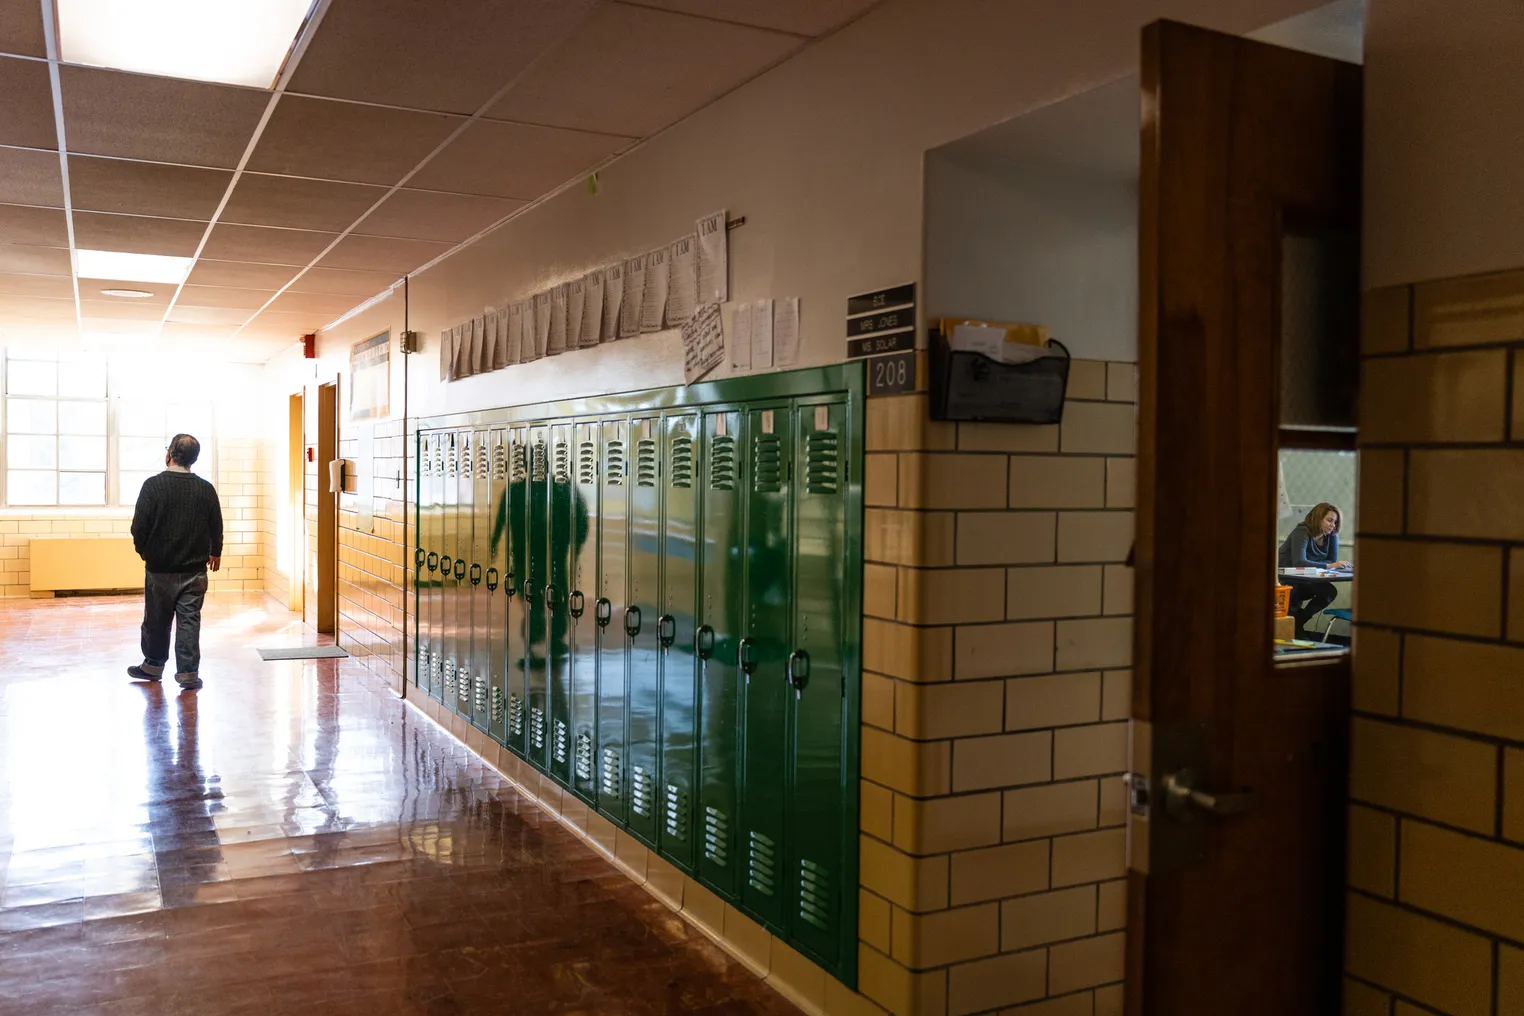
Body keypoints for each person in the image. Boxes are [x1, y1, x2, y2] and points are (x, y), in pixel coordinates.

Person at [127, 434, 223, 691]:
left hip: (160, 569)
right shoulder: (205, 489)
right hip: (194, 570)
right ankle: (188, 673)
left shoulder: (153, 486)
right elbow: (216, 526)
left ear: (169, 454)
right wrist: (216, 552)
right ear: (194, 460)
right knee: (189, 621)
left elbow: (139, 528)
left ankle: (153, 667)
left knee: (156, 620)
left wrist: (146, 552)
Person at [1278, 502, 1351, 638]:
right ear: (1318, 518)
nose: (1333, 525)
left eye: (1335, 522)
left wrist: (1325, 565)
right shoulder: (1302, 532)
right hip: (1287, 579)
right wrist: (1327, 566)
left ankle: (1299, 622)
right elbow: (1299, 562)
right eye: (1329, 520)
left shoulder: (1331, 535)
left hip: (1309, 578)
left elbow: (1332, 561)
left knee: (1329, 592)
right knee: (1293, 596)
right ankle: (1295, 627)